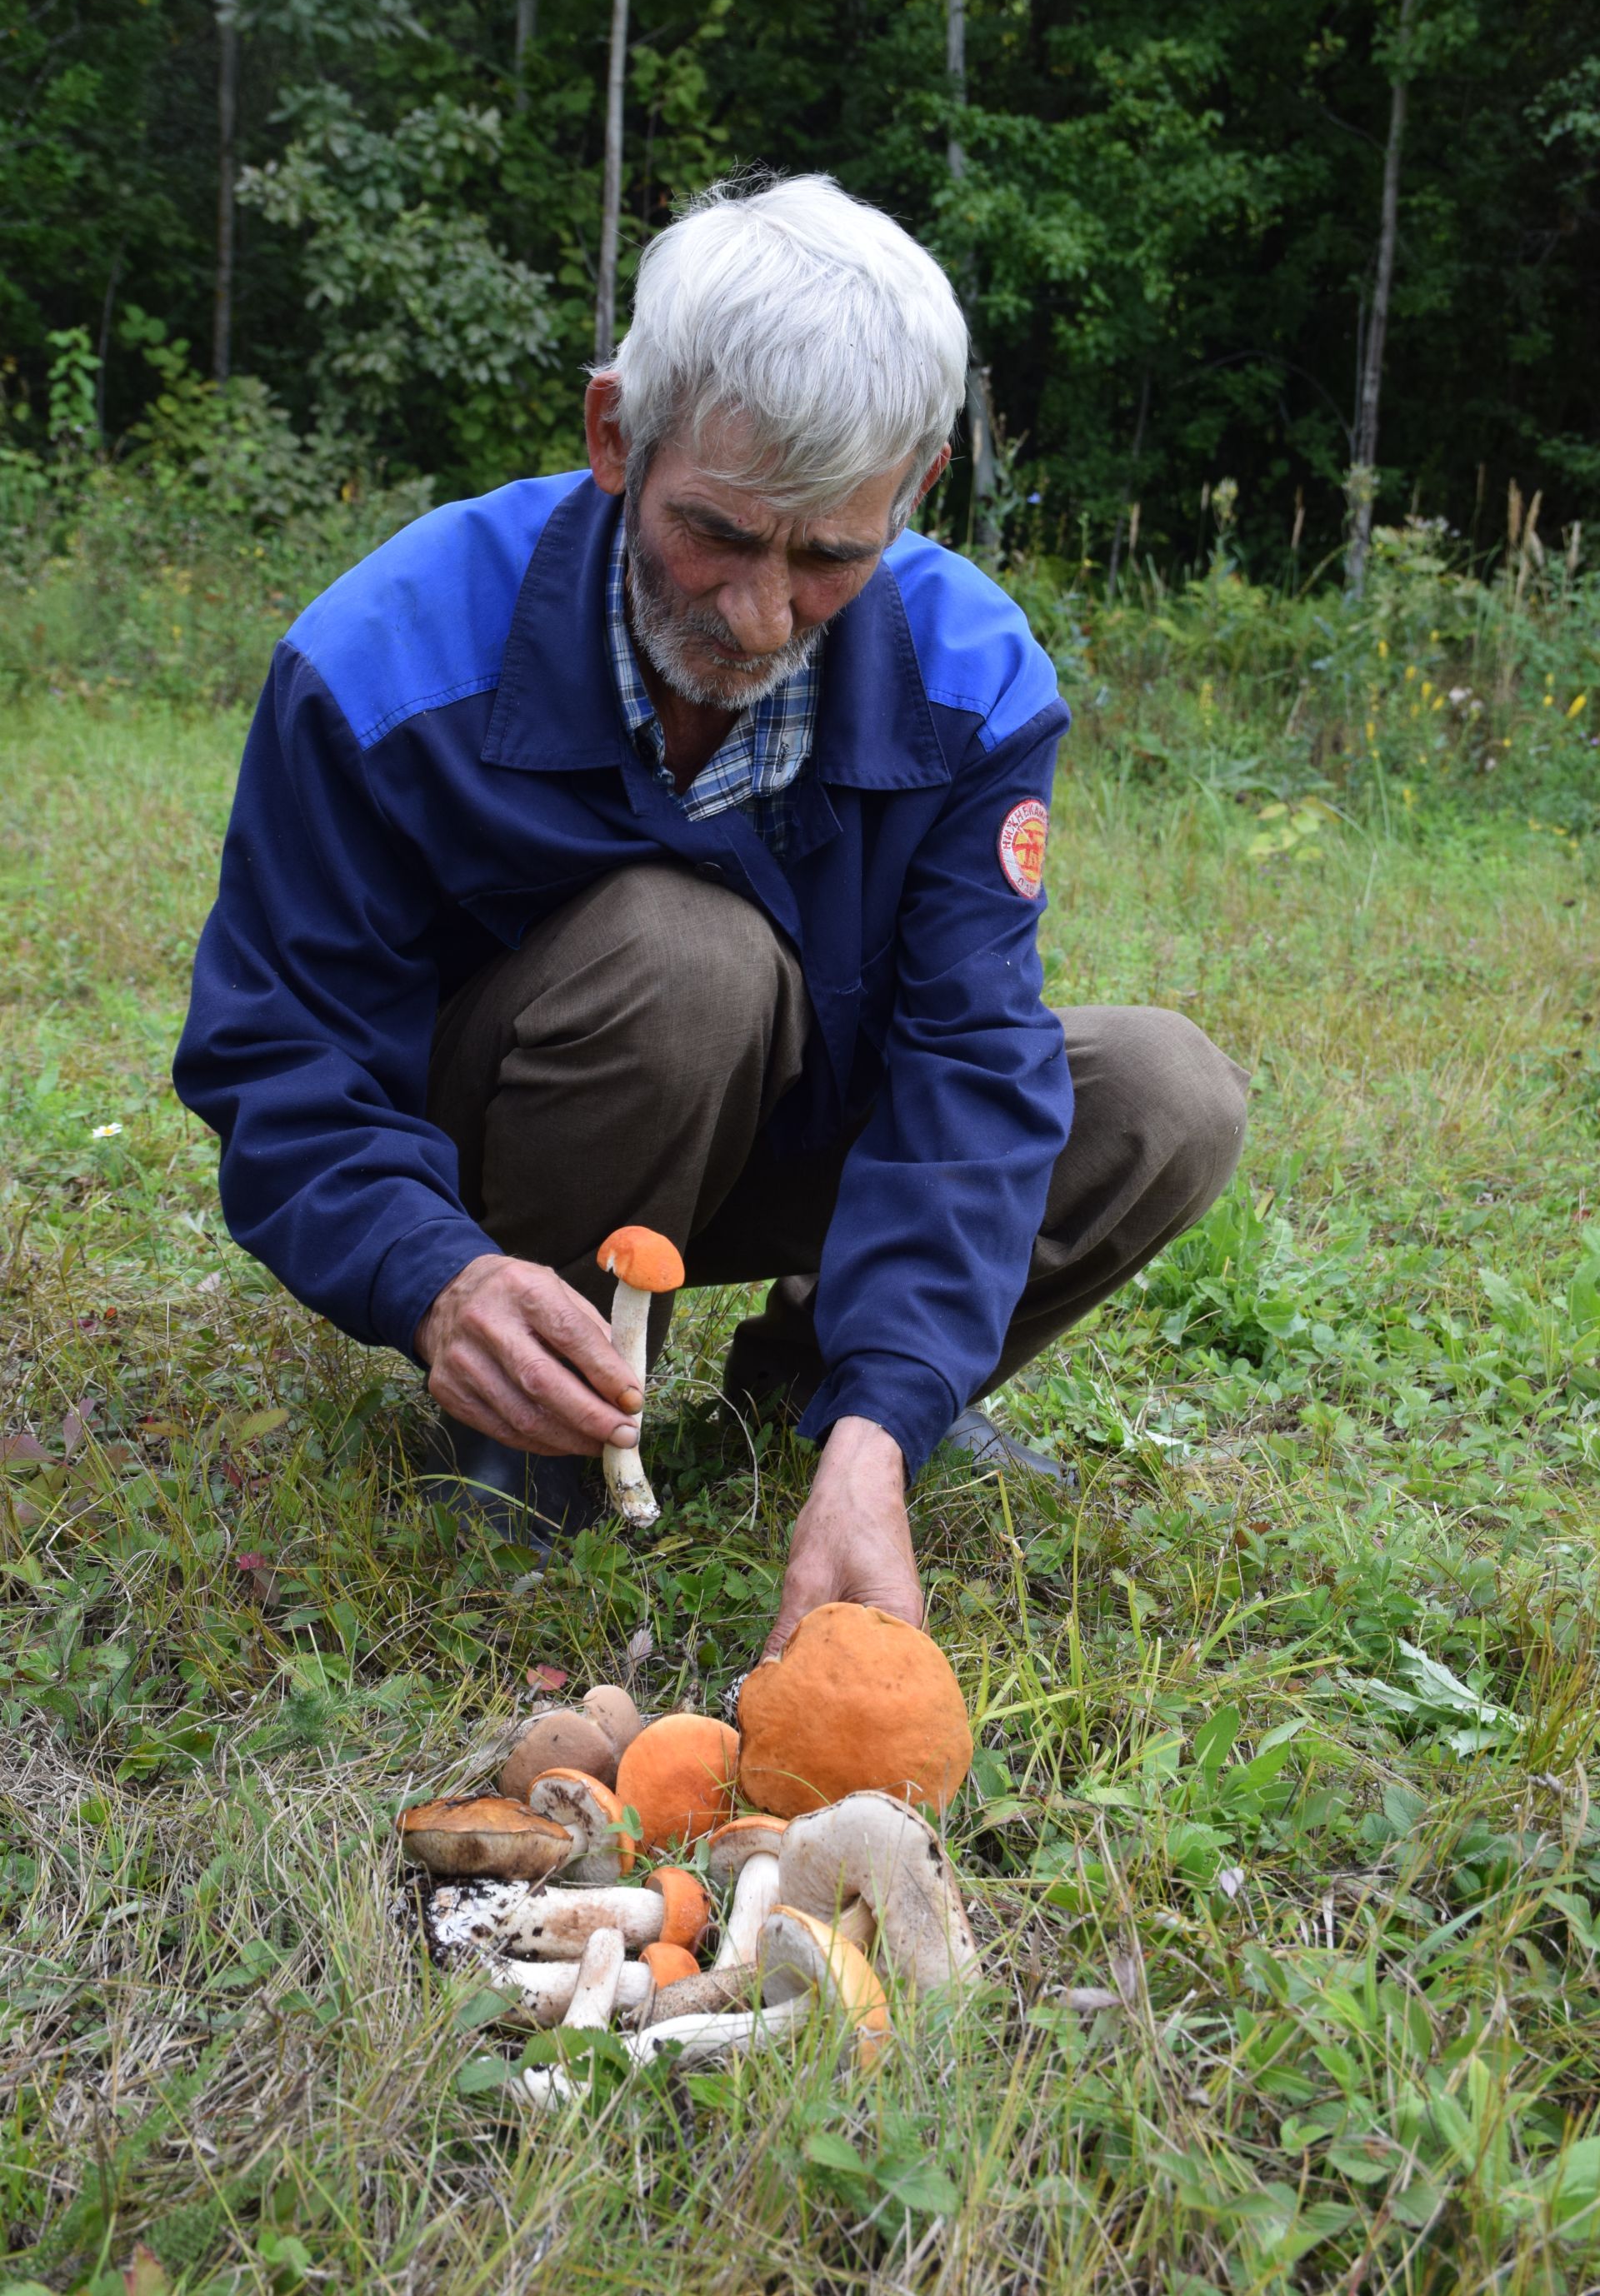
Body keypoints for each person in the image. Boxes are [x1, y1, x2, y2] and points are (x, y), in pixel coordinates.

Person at [174, 172, 1247, 1657]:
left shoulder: (972, 679)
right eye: (719, 536)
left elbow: (967, 1074)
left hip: (780, 1133)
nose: (756, 616)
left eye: (828, 558)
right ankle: (531, 1430)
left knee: (1162, 1096)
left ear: (917, 488)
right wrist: (433, 1276)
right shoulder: (386, 658)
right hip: (509, 1145)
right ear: (616, 431)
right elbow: (277, 1060)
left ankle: (824, 1410)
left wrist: (889, 1416)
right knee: (691, 959)